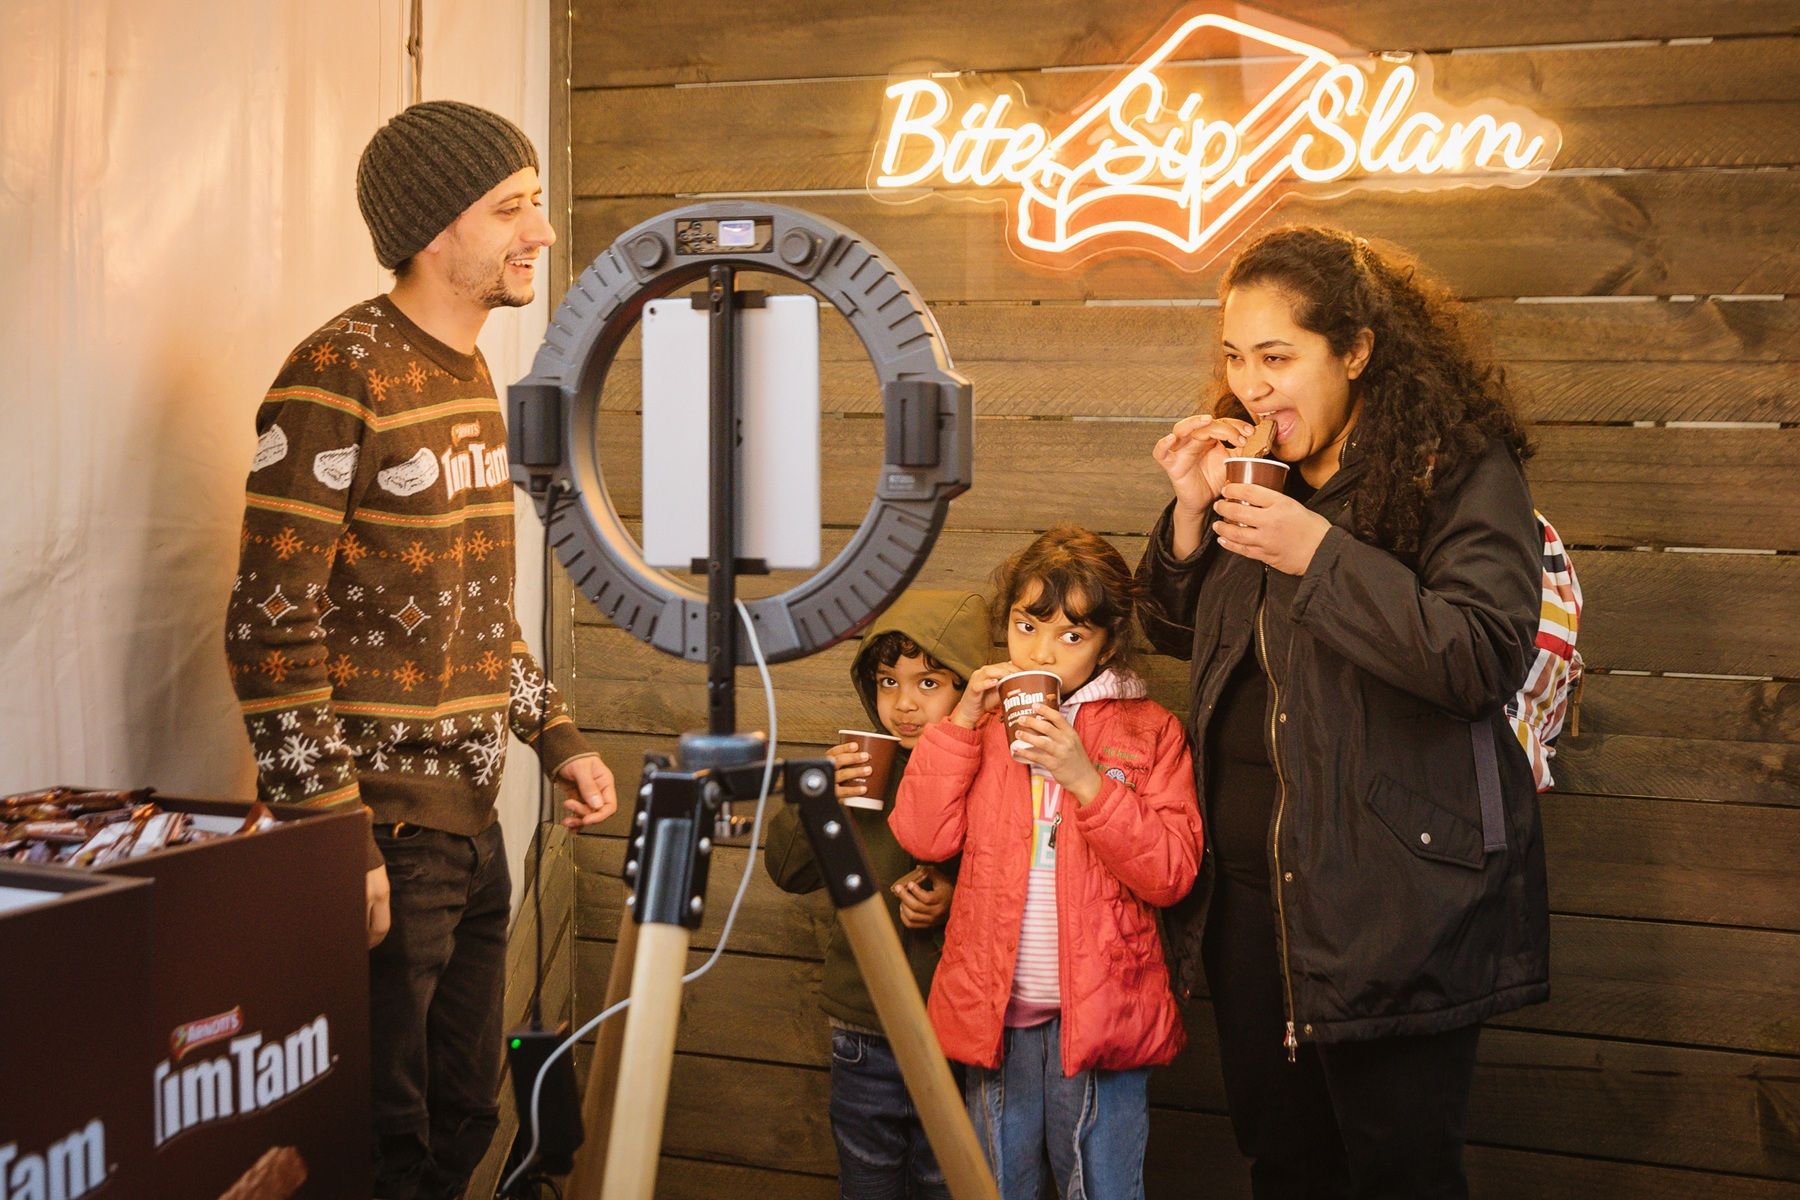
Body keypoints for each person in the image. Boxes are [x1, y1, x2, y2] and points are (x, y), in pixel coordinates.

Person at [225, 100, 618, 1200]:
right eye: (511, 208)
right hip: (379, 834)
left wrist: (557, 736)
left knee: (464, 1116)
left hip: (469, 821)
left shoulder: (469, 375)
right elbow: (267, 626)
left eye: (536, 203)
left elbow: (476, 603)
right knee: (378, 1142)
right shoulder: (335, 369)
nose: (538, 233)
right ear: (433, 228)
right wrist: (334, 838)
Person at [1138, 224, 1549, 1199]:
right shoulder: (1261, 476)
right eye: (1235, 357)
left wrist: (1315, 553)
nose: (1250, 384)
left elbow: (1483, 655)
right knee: (1285, 1168)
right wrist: (1190, 516)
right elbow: (1182, 635)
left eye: (1278, 357)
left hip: (1392, 911)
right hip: (1252, 908)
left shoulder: (1452, 466)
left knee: (1399, 1175)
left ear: (1356, 350)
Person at [890, 526, 1203, 1200]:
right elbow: (923, 836)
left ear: (1109, 643)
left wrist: (1086, 779)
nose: (1040, 651)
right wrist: (960, 724)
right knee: (994, 1185)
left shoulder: (1149, 731)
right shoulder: (981, 725)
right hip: (995, 1016)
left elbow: (1172, 871)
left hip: (1104, 1020)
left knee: (1105, 1188)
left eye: (1071, 635)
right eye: (1026, 625)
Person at [765, 588, 989, 1199]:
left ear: (969, 689)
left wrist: (951, 900)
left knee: (945, 1182)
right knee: (866, 1182)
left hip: (956, 1035)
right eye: (888, 683)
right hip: (864, 1030)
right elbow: (787, 871)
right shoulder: (862, 772)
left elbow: (1011, 883)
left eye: (928, 683)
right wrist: (816, 797)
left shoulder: (989, 774)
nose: (904, 704)